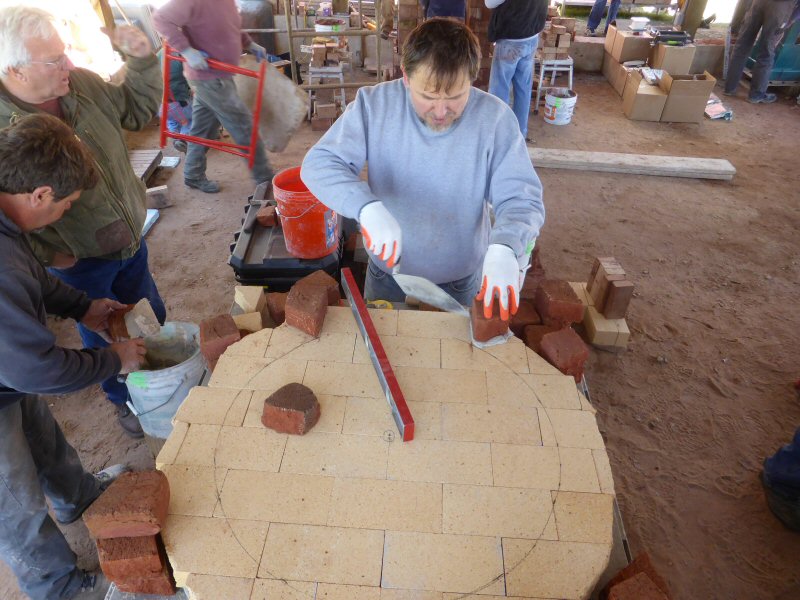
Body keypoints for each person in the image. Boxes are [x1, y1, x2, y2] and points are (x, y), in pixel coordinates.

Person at [301, 18, 545, 321]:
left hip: (459, 279)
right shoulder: (374, 106)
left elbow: (521, 199)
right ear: (405, 77)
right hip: (388, 276)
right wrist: (365, 207)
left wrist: (506, 246)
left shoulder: (495, 120)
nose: (441, 112)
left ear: (473, 78)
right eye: (428, 97)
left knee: (453, 364)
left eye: (456, 96)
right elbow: (319, 164)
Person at [0, 6, 166, 438]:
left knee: (146, 314)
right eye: (53, 60)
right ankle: (126, 399)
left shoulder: (83, 86)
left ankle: (161, 381)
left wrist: (145, 61)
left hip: (129, 238)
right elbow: (8, 215)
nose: (67, 66)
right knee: (102, 338)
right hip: (80, 261)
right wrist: (46, 253)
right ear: (14, 70)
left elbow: (137, 110)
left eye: (64, 53)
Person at [0, 114, 147, 600]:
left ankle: (77, 496)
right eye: (66, 204)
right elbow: (39, 370)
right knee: (13, 497)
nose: (64, 213)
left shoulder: (7, 218)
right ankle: (59, 588)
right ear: (39, 194)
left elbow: (32, 278)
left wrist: (83, 305)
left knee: (38, 429)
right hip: (12, 367)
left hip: (7, 370)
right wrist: (114, 359)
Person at [153, 0, 274, 194]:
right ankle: (265, 178)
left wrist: (250, 44)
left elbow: (230, 26)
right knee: (244, 126)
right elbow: (160, 19)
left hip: (220, 76)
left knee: (202, 130)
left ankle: (193, 174)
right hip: (210, 77)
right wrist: (186, 50)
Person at [486, 0, 548, 143]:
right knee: (523, 88)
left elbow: (490, 3)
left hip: (511, 39)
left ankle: (498, 136)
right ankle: (520, 133)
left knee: (499, 90)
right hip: (531, 36)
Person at [724, 0, 797, 103]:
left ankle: (729, 88)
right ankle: (756, 95)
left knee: (741, 47)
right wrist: (791, 20)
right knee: (766, 53)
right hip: (780, 8)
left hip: (758, 3)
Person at [161, 49, 193, 153]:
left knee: (172, 120)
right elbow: (190, 80)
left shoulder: (157, 56)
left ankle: (175, 138)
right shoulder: (180, 58)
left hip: (160, 104)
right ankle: (183, 139)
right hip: (177, 102)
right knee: (190, 119)